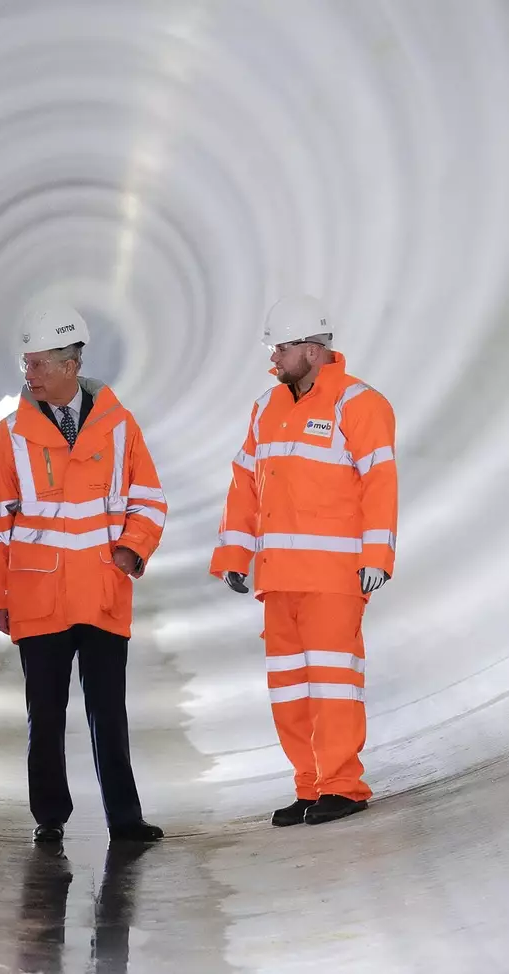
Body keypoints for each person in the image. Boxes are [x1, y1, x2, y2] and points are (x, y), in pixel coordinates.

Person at [0, 303, 167, 844]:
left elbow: (149, 499)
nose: (28, 375)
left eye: (37, 364)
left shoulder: (119, 427)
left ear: (70, 366)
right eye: (26, 365)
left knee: (110, 712)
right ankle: (49, 818)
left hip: (102, 589)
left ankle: (125, 819)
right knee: (46, 717)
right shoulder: (9, 435)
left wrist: (132, 550)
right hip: (39, 595)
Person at [210, 294, 398, 827]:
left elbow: (380, 482)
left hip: (333, 577)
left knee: (333, 684)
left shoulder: (358, 405)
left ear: (314, 351)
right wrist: (234, 553)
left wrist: (377, 555)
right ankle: (310, 784)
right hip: (280, 579)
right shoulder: (267, 409)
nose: (274, 358)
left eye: (284, 347)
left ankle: (343, 784)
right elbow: (245, 485)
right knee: (291, 688)